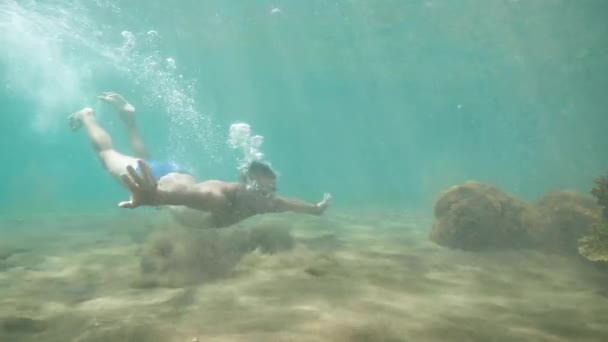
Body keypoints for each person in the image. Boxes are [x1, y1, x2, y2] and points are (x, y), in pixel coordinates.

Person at [69, 92, 332, 228]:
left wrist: (316, 208)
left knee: (141, 161)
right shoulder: (215, 197)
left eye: (271, 190)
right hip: (166, 181)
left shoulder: (266, 202)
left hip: (174, 174)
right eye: (263, 191)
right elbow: (183, 196)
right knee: (107, 156)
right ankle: (87, 116)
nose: (269, 197)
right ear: (245, 187)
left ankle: (129, 117)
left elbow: (291, 204)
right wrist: (152, 196)